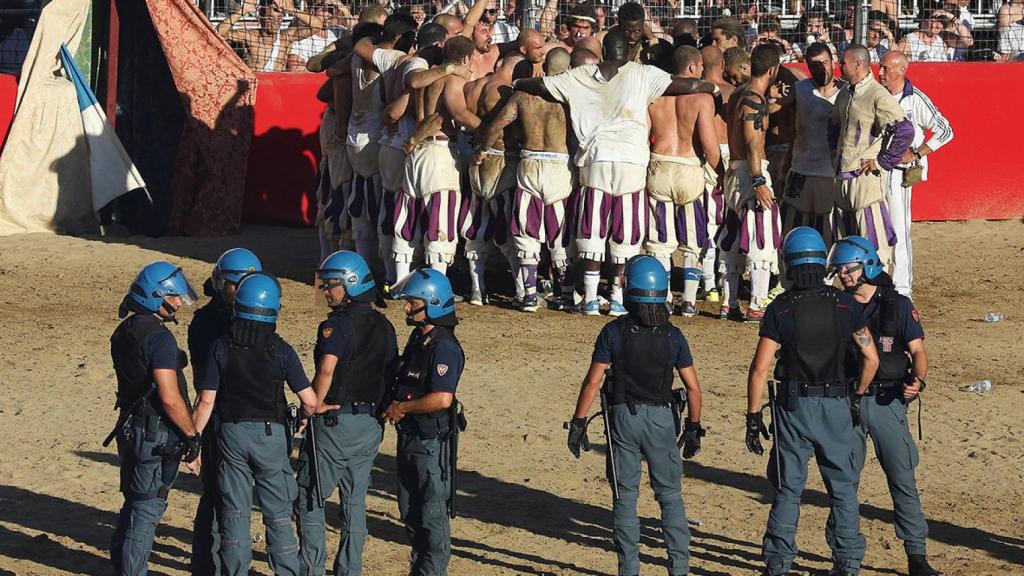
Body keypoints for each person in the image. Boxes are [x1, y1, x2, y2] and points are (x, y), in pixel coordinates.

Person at [513, 30, 716, 316]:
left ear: (604, 51)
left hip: (595, 160)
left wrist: (517, 81)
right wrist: (712, 88)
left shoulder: (581, 75)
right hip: (631, 163)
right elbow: (688, 84)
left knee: (593, 229)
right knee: (627, 232)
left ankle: (592, 299)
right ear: (626, 49)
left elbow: (541, 85)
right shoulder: (643, 73)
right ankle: (619, 297)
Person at [744, 227, 879, 576]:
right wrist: (857, 395)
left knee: (788, 489)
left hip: (793, 407)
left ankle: (779, 562)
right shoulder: (846, 304)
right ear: (823, 263)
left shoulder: (781, 309)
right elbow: (871, 358)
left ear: (788, 263)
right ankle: (848, 562)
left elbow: (760, 369)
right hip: (836, 404)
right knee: (843, 489)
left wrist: (753, 416)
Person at [567, 255, 704, 576]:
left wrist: (578, 422)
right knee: (670, 497)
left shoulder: (613, 332)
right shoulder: (674, 336)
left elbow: (592, 381)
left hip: (622, 419)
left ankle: (629, 569)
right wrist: (694, 427)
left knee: (625, 498)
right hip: (661, 419)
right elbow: (694, 389)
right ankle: (679, 567)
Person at [823, 236, 938, 576]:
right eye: (839, 270)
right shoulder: (835, 305)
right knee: (843, 483)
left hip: (888, 401)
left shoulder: (898, 305)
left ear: (868, 265)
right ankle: (844, 560)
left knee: (902, 478)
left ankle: (916, 555)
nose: (843, 275)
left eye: (849, 268)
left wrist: (918, 382)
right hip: (847, 403)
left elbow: (918, 351)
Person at [189, 273, 316, 576]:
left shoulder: (220, 347)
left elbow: (205, 401)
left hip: (230, 435)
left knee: (234, 513)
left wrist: (192, 441)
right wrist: (302, 417)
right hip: (270, 437)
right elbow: (309, 401)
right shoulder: (281, 350)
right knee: (278, 515)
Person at [294, 250, 398, 576]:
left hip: (336, 423)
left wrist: (311, 405)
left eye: (331, 285)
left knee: (309, 497)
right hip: (370, 426)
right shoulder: (385, 325)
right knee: (354, 503)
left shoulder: (335, 326)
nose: (326, 291)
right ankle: (348, 570)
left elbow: (326, 371)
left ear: (350, 284)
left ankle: (311, 569)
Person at [109, 262, 201, 574]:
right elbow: (169, 395)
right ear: (154, 296)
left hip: (130, 427)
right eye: (173, 297)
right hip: (155, 433)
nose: (178, 302)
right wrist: (190, 434)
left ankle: (121, 565)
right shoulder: (160, 339)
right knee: (147, 507)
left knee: (133, 501)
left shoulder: (125, 331)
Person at [477, 48, 576, 312]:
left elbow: (497, 124)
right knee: (559, 230)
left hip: (530, 162)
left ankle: (529, 294)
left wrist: (482, 151)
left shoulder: (523, 95)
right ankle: (566, 294)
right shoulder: (570, 96)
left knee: (526, 228)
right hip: (559, 165)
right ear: (567, 70)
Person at [384, 269, 466, 576]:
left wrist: (401, 407)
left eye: (412, 302)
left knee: (432, 517)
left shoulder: (443, 346)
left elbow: (442, 399)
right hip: (411, 437)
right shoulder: (420, 339)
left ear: (432, 302)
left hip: (431, 443)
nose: (406, 308)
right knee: (410, 512)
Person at [187, 248, 262, 576]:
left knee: (239, 499)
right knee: (217, 498)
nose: (241, 291)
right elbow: (206, 384)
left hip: (250, 419)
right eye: (236, 285)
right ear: (221, 285)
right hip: (218, 417)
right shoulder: (206, 323)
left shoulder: (255, 316)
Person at [643, 46, 721, 317]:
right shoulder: (702, 97)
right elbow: (710, 147)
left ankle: (662, 297)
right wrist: (719, 172)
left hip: (659, 164)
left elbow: (644, 134)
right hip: (689, 168)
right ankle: (688, 301)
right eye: (699, 68)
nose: (701, 72)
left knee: (659, 241)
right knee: (692, 239)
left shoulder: (654, 96)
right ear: (691, 68)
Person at [397, 36, 480, 278]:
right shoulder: (451, 78)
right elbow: (459, 112)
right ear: (466, 58)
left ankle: (399, 280)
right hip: (439, 152)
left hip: (416, 150)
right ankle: (438, 283)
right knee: (441, 218)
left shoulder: (427, 75)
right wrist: (486, 128)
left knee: (408, 215)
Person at [877, 51, 954, 299]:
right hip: (875, 171)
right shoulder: (876, 94)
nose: (881, 73)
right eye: (880, 67)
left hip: (900, 174)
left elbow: (945, 130)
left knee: (899, 228)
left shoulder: (915, 99)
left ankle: (902, 289)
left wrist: (918, 153)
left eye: (886, 68)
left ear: (901, 71)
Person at [831, 44, 913, 273]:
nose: (840, 66)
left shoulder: (877, 94)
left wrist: (882, 162)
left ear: (857, 64)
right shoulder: (846, 92)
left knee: (875, 245)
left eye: (843, 63)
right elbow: (833, 125)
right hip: (843, 178)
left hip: (864, 180)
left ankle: (880, 296)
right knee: (847, 245)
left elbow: (905, 130)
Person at [716, 44, 783, 323]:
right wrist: (759, 181)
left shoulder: (737, 97)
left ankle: (728, 302)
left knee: (731, 238)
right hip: (751, 174)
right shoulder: (754, 100)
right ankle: (757, 303)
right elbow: (754, 143)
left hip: (733, 171)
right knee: (761, 239)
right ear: (772, 70)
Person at [463, 54, 530, 307]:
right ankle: (523, 291)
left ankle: (477, 290)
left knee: (477, 223)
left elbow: (466, 118)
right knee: (507, 226)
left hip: (478, 157)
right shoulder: (506, 92)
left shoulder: (474, 86)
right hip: (502, 159)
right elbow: (506, 127)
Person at [780, 42, 844, 246]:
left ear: (833, 62)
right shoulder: (800, 89)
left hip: (831, 174)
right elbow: (777, 111)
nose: (822, 68)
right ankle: (790, 275)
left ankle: (824, 276)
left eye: (825, 62)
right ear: (808, 66)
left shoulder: (846, 92)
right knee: (792, 228)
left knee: (828, 229)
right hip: (801, 170)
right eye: (816, 65)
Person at [699, 45, 735, 305]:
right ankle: (726, 281)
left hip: (707, 155)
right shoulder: (735, 93)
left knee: (709, 222)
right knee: (729, 220)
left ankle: (709, 284)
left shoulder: (697, 93)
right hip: (733, 156)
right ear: (722, 66)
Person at [217, 0, 324, 72]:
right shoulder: (250, 36)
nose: (275, 22)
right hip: (256, 82)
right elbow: (218, 33)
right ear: (260, 19)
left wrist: (292, 10)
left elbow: (317, 25)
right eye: (270, 18)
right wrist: (243, 11)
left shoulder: (285, 37)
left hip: (276, 84)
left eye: (278, 19)